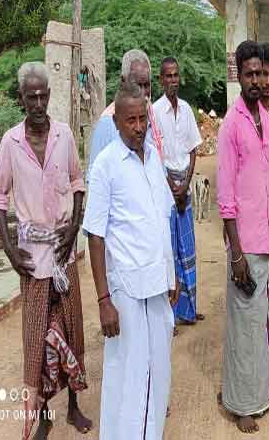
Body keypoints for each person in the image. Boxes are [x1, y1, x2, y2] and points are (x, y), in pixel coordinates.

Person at [0, 62, 92, 440]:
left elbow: (78, 182)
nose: (38, 102)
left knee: (72, 331)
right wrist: (10, 252)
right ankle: (43, 414)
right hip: (32, 257)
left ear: (49, 95)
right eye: (31, 96)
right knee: (35, 339)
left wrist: (76, 225)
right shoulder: (11, 143)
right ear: (21, 98)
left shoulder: (64, 135)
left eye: (43, 95)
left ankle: (73, 406)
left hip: (63, 253)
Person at [83, 81, 179, 440]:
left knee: (159, 371)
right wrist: (104, 301)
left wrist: (171, 275)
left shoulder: (154, 158)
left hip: (157, 285)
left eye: (143, 119)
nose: (138, 127)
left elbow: (162, 219)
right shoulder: (107, 165)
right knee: (128, 372)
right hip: (125, 291)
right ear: (117, 121)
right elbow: (95, 235)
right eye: (131, 121)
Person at [217, 40, 269, 433]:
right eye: (250, 73)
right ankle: (241, 403)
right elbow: (226, 196)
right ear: (239, 76)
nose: (257, 80)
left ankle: (264, 392)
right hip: (244, 243)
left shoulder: (267, 116)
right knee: (244, 325)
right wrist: (236, 253)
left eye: (261, 73)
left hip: (268, 236)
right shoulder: (232, 123)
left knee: (264, 323)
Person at [153, 57, 205, 329]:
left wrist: (185, 185)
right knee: (170, 251)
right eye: (168, 76)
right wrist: (171, 188)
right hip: (166, 189)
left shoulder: (185, 110)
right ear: (161, 80)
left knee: (188, 250)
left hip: (184, 184)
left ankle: (189, 309)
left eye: (176, 75)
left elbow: (193, 149)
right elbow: (154, 156)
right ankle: (170, 316)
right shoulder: (154, 112)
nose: (173, 80)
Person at [89, 49, 161, 171]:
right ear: (123, 81)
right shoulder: (107, 123)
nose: (143, 93)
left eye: (147, 85)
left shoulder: (152, 115)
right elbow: (95, 177)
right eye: (138, 85)